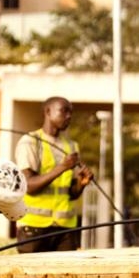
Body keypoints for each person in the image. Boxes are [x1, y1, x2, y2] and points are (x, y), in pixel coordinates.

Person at [14, 96, 94, 252]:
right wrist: (63, 167)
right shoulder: (30, 142)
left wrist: (81, 183)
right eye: (64, 111)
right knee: (31, 276)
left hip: (65, 228)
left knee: (65, 276)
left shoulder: (71, 146)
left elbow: (70, 194)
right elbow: (29, 186)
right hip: (34, 227)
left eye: (70, 112)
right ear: (48, 112)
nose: (69, 116)